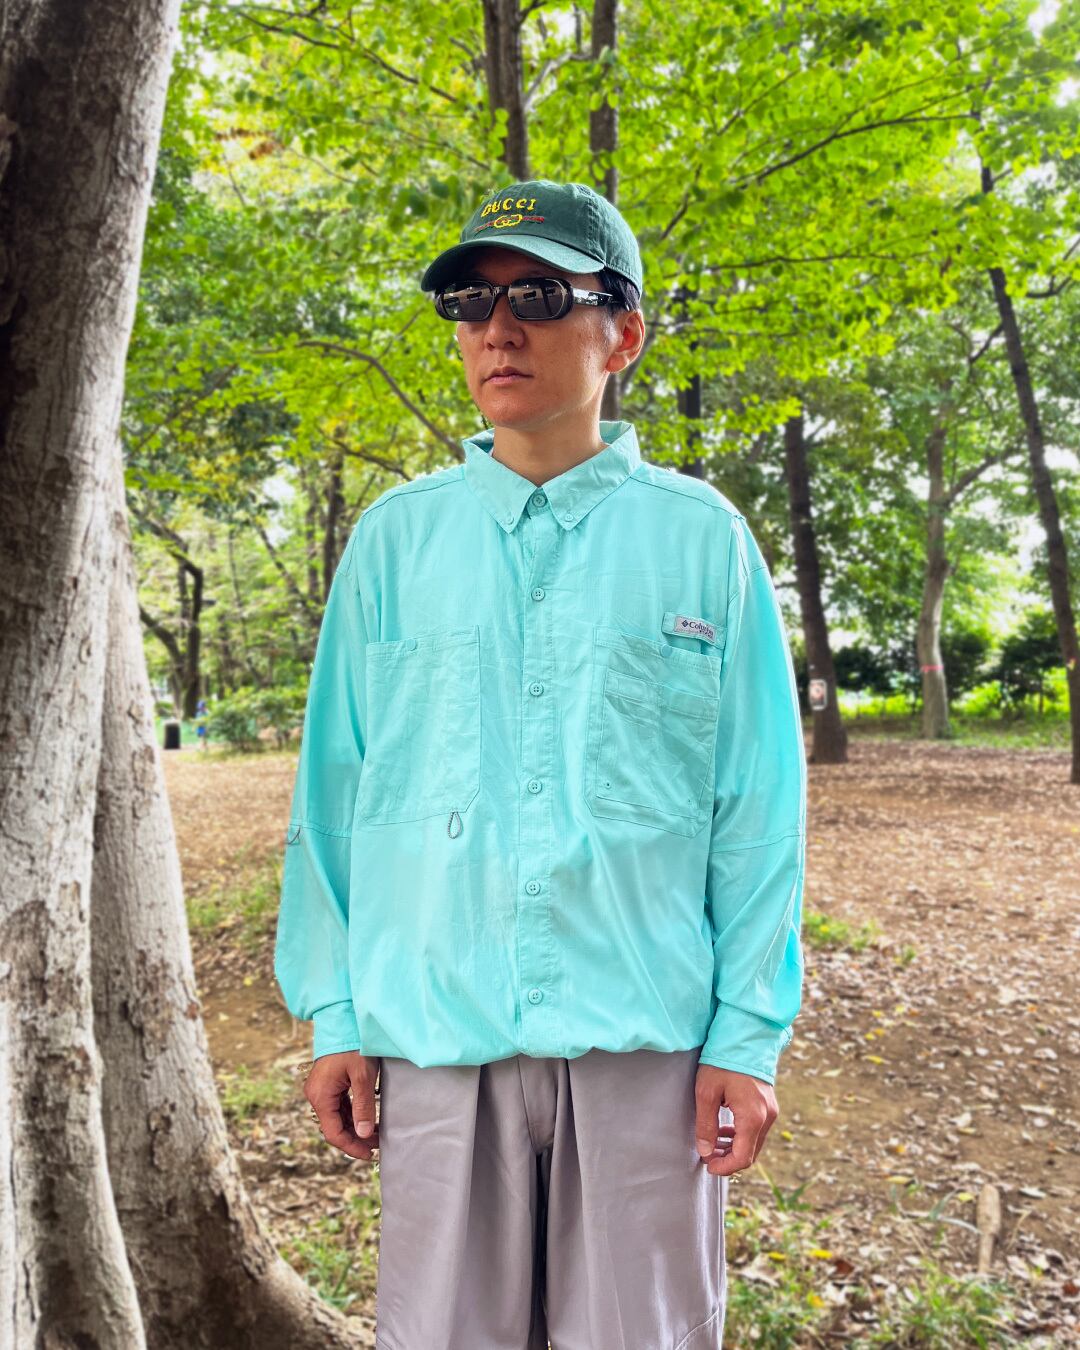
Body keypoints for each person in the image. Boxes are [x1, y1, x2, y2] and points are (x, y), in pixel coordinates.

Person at [274, 178, 807, 1349]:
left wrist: (745, 1037)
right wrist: (334, 1012)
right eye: (472, 302)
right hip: (436, 1042)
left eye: (541, 296)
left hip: (644, 1051)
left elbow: (758, 810)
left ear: (624, 333)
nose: (499, 329)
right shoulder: (396, 543)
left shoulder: (702, 542)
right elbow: (335, 796)